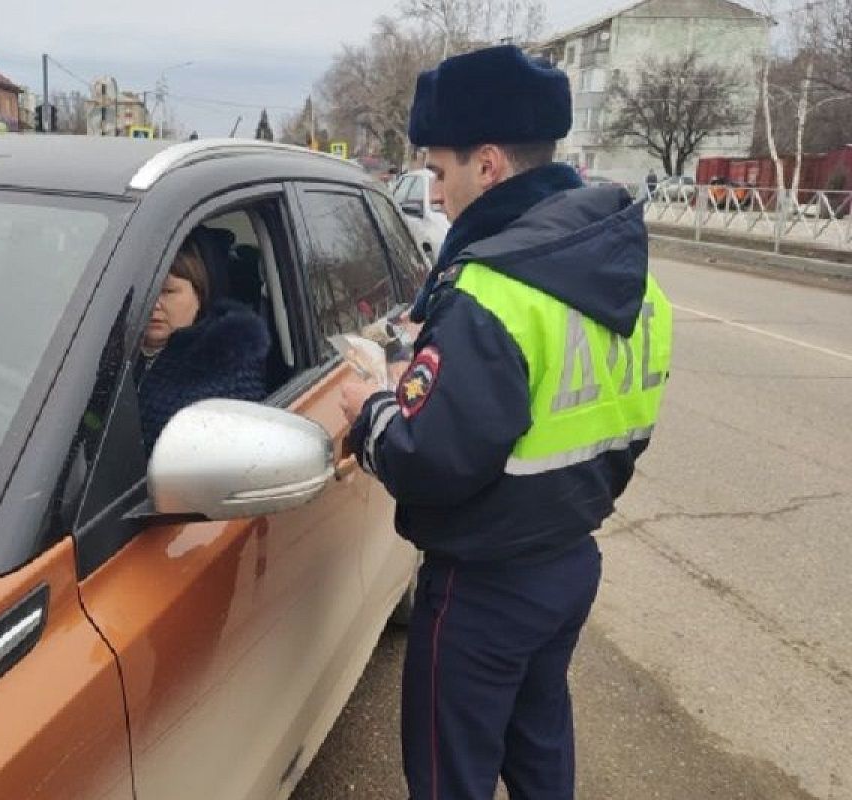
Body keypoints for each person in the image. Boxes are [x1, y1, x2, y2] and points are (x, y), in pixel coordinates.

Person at [338, 45, 673, 800]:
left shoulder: (494, 289)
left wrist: (373, 411)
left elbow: (428, 461)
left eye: (439, 170)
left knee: (448, 775)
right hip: (569, 561)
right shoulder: (628, 278)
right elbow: (620, 423)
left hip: (482, 588)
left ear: (486, 165)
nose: (435, 189)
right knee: (539, 744)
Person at [135, 239, 269, 452]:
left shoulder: (228, 362)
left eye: (168, 292)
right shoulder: (105, 354)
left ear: (200, 295)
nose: (154, 304)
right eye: (147, 292)